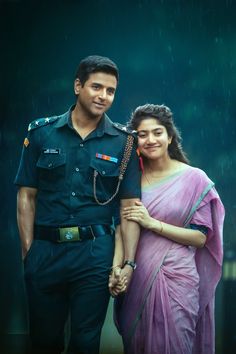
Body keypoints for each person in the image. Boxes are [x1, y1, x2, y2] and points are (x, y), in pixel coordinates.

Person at [14, 55, 141, 354]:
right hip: (45, 251)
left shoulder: (124, 143)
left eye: (110, 91)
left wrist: (127, 263)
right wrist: (28, 253)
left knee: (85, 343)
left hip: (95, 253)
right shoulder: (41, 132)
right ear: (77, 86)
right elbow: (26, 197)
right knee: (44, 342)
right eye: (96, 87)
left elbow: (129, 208)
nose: (103, 96)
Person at [114, 104, 224, 354]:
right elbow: (120, 229)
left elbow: (200, 238)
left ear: (170, 136)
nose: (150, 140)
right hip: (136, 276)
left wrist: (152, 223)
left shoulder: (195, 179)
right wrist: (118, 268)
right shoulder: (129, 182)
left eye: (157, 132)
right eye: (142, 134)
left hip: (178, 278)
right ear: (134, 140)